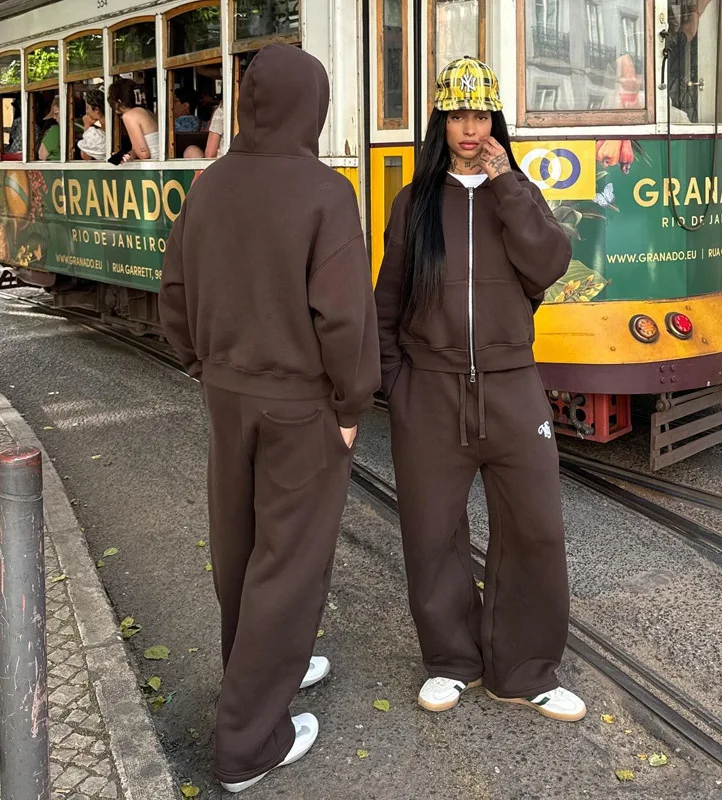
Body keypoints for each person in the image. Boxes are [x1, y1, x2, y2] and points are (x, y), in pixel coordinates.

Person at [159, 44, 380, 794]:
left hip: (226, 394)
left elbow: (175, 292)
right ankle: (248, 744)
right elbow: (345, 319)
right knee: (290, 560)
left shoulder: (209, 186)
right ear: (310, 107)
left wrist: (203, 364)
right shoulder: (326, 193)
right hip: (301, 405)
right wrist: (352, 406)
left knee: (241, 546)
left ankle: (260, 670)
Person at [374, 57, 586, 722]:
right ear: (441, 120)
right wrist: (395, 385)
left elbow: (550, 262)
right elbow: (388, 302)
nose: (471, 128)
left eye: (482, 114)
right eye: (459, 115)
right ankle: (450, 661)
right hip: (430, 393)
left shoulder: (515, 191)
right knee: (431, 533)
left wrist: (507, 185)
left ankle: (524, 671)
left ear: (496, 120)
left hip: (513, 387)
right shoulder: (414, 203)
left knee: (536, 531)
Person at [108, 79, 159, 161]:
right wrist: (122, 156)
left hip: (153, 166)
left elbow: (144, 154)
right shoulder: (147, 112)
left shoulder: (129, 115)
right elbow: (137, 149)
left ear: (118, 101)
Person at [78, 89, 106, 161]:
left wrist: (87, 125)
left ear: (96, 109)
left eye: (87, 108)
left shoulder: (96, 133)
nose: (86, 112)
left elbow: (86, 156)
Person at [38, 96, 60, 161]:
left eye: (56, 114)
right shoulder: (83, 126)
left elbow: (42, 155)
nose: (54, 117)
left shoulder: (55, 130)